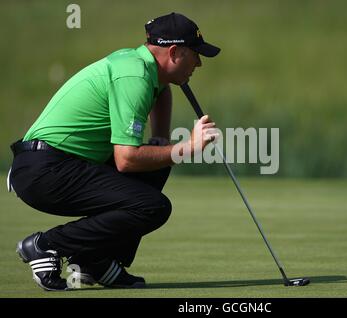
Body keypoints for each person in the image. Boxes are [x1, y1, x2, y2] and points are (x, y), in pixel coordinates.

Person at [8, 12, 220, 291]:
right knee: (153, 207)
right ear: (174, 52)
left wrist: (160, 138)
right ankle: (45, 245)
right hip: (45, 170)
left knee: (159, 161)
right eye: (195, 54)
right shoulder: (134, 76)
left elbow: (161, 90)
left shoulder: (140, 66)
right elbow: (126, 159)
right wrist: (188, 148)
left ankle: (93, 261)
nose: (199, 63)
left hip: (60, 163)